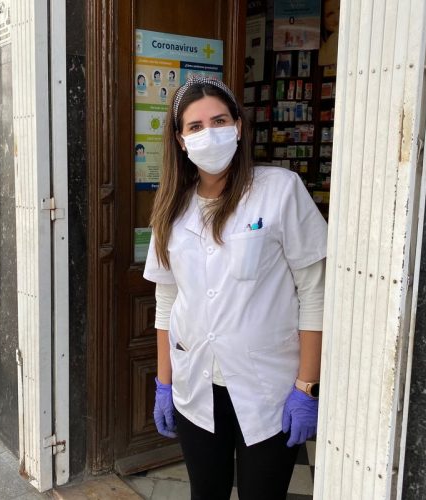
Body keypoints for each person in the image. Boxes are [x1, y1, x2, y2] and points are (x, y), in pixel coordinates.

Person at [144, 76, 327, 499]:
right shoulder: (172, 206)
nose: (210, 133)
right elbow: (166, 299)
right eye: (195, 126)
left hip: (268, 388)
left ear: (239, 126)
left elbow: (313, 291)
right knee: (205, 492)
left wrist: (307, 387)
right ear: (181, 140)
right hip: (195, 385)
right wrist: (164, 383)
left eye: (219, 120)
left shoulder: (279, 190)